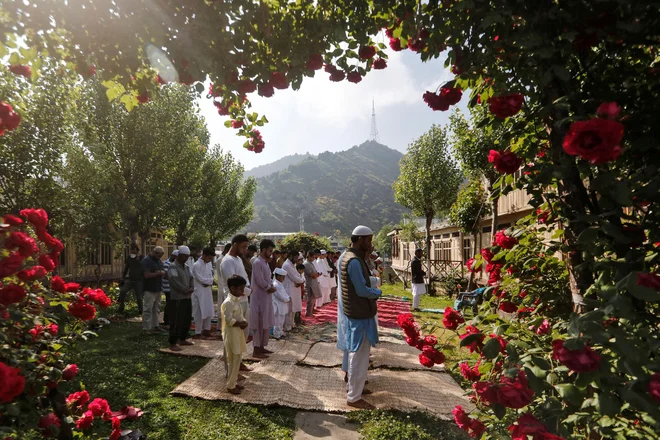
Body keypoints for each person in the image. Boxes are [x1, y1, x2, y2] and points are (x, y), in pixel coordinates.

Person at [340, 226, 382, 409]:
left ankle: (355, 389)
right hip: (359, 314)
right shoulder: (354, 261)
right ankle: (354, 397)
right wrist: (376, 292)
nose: (370, 244)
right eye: (369, 240)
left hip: (356, 313)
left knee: (358, 354)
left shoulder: (353, 258)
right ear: (360, 239)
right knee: (359, 355)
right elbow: (361, 290)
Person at [219, 235, 252, 355]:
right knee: (233, 335)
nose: (245, 250)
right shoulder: (228, 261)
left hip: (243, 300)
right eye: (243, 247)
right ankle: (230, 366)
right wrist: (249, 291)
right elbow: (233, 285)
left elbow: (244, 278)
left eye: (246, 247)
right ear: (234, 244)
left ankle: (238, 362)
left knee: (243, 333)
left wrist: (248, 288)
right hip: (233, 302)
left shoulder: (238, 259)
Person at [221, 275, 249, 395]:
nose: (242, 292)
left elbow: (239, 315)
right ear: (232, 288)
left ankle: (234, 381)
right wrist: (239, 323)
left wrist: (243, 322)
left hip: (237, 333)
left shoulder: (235, 301)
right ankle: (230, 385)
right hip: (232, 334)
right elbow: (228, 320)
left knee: (237, 358)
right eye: (241, 289)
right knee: (233, 359)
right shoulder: (228, 303)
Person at [250, 239, 277, 358]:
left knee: (265, 322)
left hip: (266, 297)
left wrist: (271, 286)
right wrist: (268, 287)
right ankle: (256, 349)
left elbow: (268, 278)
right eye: (270, 251)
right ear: (264, 249)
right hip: (259, 298)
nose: (271, 253)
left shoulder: (265, 263)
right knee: (259, 323)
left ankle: (262, 346)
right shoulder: (257, 262)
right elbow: (259, 280)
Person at [168, 246, 195, 352]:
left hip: (187, 297)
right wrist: (185, 289)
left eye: (187, 257)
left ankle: (183, 338)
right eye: (184, 256)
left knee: (186, 319)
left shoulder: (187, 267)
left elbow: (191, 278)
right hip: (177, 298)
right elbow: (174, 281)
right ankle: (173, 342)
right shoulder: (173, 267)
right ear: (179, 255)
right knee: (176, 320)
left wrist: (191, 287)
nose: (186, 258)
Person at [141, 246, 166, 334]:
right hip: (149, 288)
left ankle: (155, 325)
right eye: (159, 255)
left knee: (156, 309)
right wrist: (159, 273)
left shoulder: (158, 261)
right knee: (148, 308)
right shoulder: (146, 261)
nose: (160, 258)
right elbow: (146, 275)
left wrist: (161, 272)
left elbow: (162, 270)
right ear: (155, 252)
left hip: (158, 287)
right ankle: (146, 328)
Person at [192, 247, 215, 339]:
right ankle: (198, 332)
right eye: (209, 258)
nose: (210, 260)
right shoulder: (196, 265)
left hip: (207, 291)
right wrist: (209, 281)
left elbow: (212, 277)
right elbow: (199, 279)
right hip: (199, 291)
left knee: (208, 310)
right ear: (204, 255)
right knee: (199, 312)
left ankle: (207, 329)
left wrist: (209, 282)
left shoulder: (208, 264)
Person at [118, 244, 144, 315]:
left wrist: (138, 260)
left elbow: (143, 267)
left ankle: (141, 310)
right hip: (130, 279)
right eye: (131, 250)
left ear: (136, 250)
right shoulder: (129, 258)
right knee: (123, 291)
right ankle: (121, 307)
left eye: (133, 249)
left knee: (139, 296)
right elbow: (126, 268)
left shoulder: (141, 257)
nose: (132, 251)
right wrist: (123, 277)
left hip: (138, 280)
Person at [282, 251, 305, 328]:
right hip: (289, 289)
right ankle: (287, 326)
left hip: (294, 289)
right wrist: (301, 281)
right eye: (295, 258)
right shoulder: (287, 265)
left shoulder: (292, 264)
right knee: (289, 309)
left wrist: (300, 281)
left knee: (293, 309)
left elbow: (298, 275)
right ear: (290, 256)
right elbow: (294, 277)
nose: (296, 260)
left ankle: (291, 325)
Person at [271, 267, 290, 339]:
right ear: (278, 276)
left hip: (282, 305)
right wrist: (287, 299)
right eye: (283, 277)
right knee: (277, 321)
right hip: (278, 305)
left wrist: (287, 298)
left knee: (281, 321)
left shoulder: (279, 284)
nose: (284, 278)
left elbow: (284, 293)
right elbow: (279, 296)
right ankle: (276, 334)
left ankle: (280, 332)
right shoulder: (276, 284)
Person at [161, 250, 178, 327]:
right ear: (173, 256)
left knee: (172, 304)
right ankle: (167, 320)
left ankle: (171, 319)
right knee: (169, 304)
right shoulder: (166, 264)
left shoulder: (174, 264)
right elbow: (168, 276)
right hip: (168, 287)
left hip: (173, 287)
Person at [303, 250, 322, 317]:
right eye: (313, 257)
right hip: (310, 284)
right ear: (309, 256)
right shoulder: (306, 264)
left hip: (313, 283)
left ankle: (310, 311)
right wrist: (317, 274)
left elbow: (315, 273)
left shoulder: (310, 263)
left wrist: (317, 274)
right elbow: (312, 274)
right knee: (310, 299)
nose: (314, 258)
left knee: (313, 299)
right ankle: (308, 313)